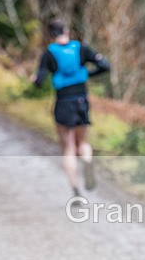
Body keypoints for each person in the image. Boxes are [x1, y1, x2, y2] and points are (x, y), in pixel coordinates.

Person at [33, 19, 110, 198]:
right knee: (82, 143)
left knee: (68, 148)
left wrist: (34, 80)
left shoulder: (49, 54)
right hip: (82, 100)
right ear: (67, 31)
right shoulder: (80, 48)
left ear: (50, 35)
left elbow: (39, 81)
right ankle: (88, 163)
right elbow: (105, 66)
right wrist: (86, 74)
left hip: (63, 101)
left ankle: (76, 191)